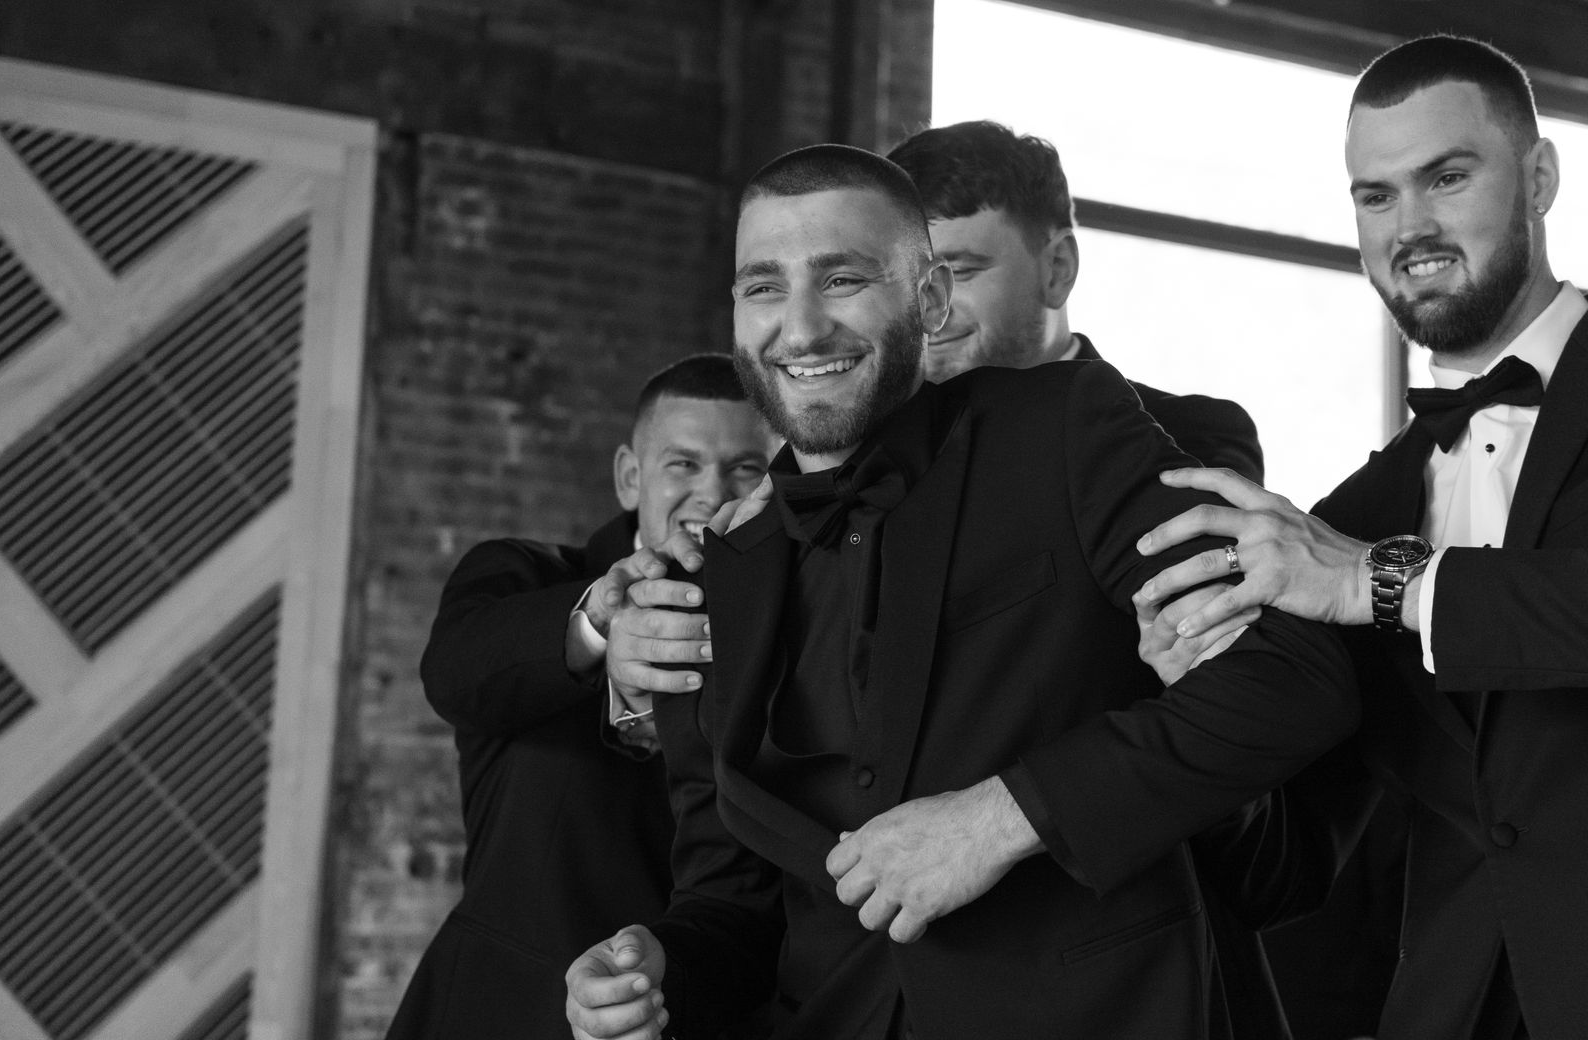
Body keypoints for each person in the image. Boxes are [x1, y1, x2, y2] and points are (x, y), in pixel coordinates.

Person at [1132, 35, 1588, 1038]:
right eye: (1375, 195)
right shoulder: (1351, 523)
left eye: (1447, 177)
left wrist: (1396, 585)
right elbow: (1287, 868)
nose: (1409, 227)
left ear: (1540, 178)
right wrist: (1207, 692)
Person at [563, 145, 1357, 1040]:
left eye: (842, 279)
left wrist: (1000, 819)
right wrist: (658, 970)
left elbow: (1295, 677)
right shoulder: (714, 569)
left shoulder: (1063, 430)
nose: (801, 327)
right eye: (763, 287)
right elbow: (732, 906)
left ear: (930, 299)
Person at [385, 354, 771, 1040]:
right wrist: (597, 622)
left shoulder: (795, 634)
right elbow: (454, 675)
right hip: (495, 1015)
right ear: (630, 477)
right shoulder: (524, 577)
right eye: (683, 464)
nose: (712, 493)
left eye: (745, 468)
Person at [888, 119, 1263, 481]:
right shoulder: (878, 440)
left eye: (959, 271)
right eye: (903, 282)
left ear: (1058, 268)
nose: (925, 309)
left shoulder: (1190, 434)